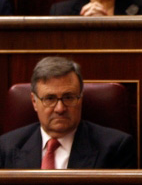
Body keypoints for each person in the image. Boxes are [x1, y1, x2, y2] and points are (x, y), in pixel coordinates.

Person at [0, 56, 135, 169]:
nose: (60, 108)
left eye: (68, 97)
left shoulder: (115, 148)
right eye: (50, 98)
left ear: (80, 99)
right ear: (34, 102)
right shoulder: (7, 146)